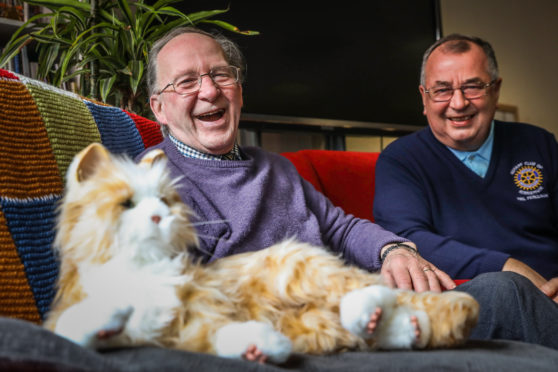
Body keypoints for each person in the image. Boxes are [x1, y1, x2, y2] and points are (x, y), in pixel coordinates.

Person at [140, 26, 558, 352]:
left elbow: (340, 228)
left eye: (220, 75)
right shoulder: (148, 185)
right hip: (305, 331)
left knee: (507, 292)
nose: (210, 90)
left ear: (240, 90)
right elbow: (178, 297)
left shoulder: (274, 166)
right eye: (186, 82)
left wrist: (392, 251)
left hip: (362, 308)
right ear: (158, 106)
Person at [373, 33, 558, 303]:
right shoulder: (400, 159)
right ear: (424, 97)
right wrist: (508, 267)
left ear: (495, 90)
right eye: (442, 90)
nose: (458, 103)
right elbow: (407, 240)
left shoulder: (539, 142)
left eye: (473, 87)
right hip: (477, 301)